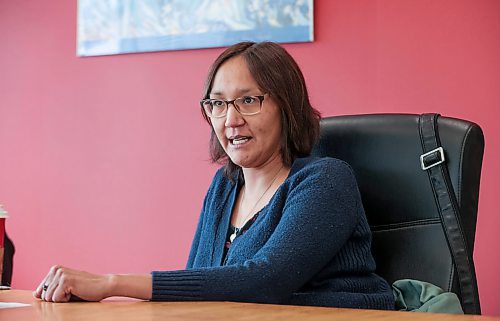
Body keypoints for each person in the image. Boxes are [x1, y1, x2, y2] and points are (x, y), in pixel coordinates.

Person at [34, 41, 395, 310]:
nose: (230, 119)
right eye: (217, 104)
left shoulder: (327, 180)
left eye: (248, 100)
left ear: (287, 105)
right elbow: (201, 282)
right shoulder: (225, 186)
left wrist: (111, 283)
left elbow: (265, 281)